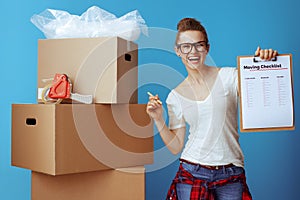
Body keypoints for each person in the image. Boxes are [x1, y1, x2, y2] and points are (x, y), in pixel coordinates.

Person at [146, 18, 277, 200]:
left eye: (198, 45)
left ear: (207, 48)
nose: (193, 51)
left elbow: (264, 92)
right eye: (186, 46)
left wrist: (265, 64)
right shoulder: (175, 96)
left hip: (231, 172)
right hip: (192, 171)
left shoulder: (230, 76)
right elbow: (176, 146)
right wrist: (158, 119)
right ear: (177, 51)